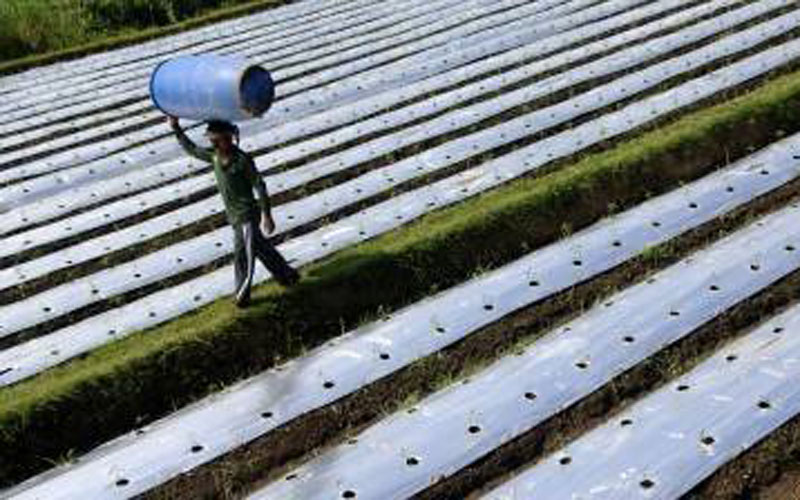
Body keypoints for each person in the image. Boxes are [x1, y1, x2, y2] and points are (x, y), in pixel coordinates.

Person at [168, 116, 300, 308]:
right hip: (235, 216)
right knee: (261, 249)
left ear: (228, 138)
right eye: (212, 140)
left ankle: (242, 295)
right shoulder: (214, 157)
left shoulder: (242, 160)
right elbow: (192, 149)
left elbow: (259, 185)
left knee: (242, 254)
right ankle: (288, 277)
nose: (213, 142)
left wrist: (267, 215)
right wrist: (176, 128)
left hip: (246, 215)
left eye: (217, 139)